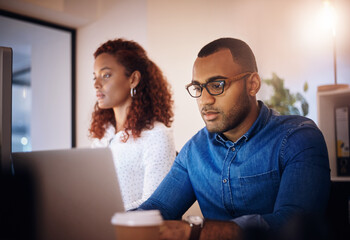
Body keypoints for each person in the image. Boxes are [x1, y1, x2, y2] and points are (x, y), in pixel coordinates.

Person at [138, 38, 331, 239]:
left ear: (253, 84)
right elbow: (157, 208)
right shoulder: (194, 151)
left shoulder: (298, 138)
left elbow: (293, 225)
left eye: (217, 84)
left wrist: (196, 231)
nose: (205, 100)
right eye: (198, 88)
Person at [89, 38, 176, 210]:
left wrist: (103, 214)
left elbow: (154, 206)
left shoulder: (157, 135)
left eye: (106, 75)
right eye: (95, 77)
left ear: (133, 79)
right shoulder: (103, 135)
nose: (96, 84)